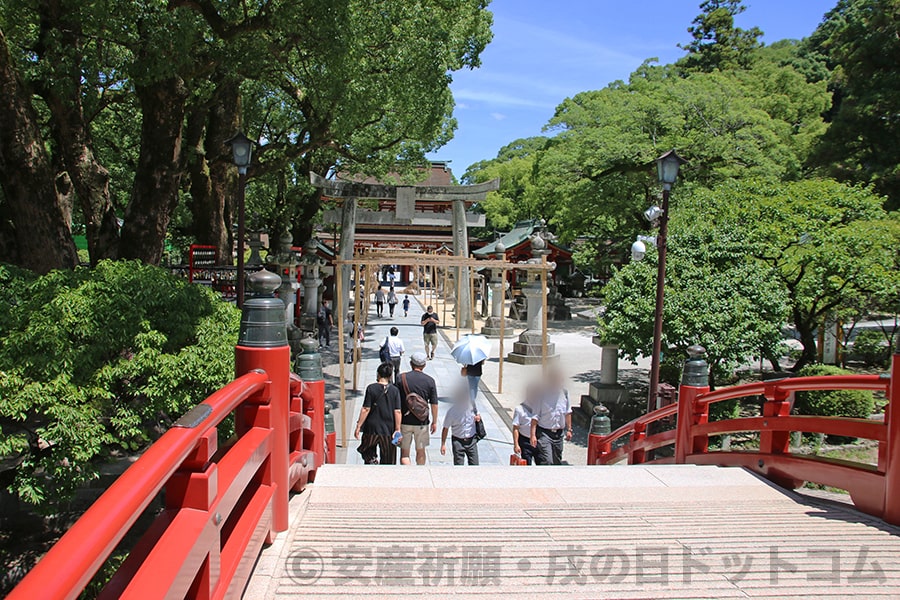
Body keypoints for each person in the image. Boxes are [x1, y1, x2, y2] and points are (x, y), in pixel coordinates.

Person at [354, 362, 402, 465]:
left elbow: (366, 409)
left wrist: (359, 426)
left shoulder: (371, 388)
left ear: (378, 374)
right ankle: (386, 476)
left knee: (365, 448)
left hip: (371, 428)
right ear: (390, 376)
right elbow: (397, 411)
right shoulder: (395, 391)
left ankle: (372, 461)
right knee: (389, 458)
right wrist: (397, 429)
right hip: (388, 429)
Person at [397, 352, 439, 465]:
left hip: (404, 421)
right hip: (422, 421)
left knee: (404, 453)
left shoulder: (401, 378)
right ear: (424, 365)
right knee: (420, 451)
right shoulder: (430, 381)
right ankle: (420, 474)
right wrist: (434, 422)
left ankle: (408, 476)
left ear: (411, 363)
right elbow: (434, 404)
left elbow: (395, 401)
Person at [530, 369, 573, 465]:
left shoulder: (564, 393)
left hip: (559, 434)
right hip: (544, 433)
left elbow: (568, 412)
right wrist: (533, 435)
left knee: (557, 460)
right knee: (547, 460)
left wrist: (569, 429)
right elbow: (535, 416)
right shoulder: (542, 394)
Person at [440, 389, 480, 465]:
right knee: (458, 466)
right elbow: (445, 428)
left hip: (471, 440)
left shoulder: (472, 406)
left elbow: (478, 415)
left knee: (475, 464)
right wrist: (443, 444)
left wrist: (478, 418)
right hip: (458, 441)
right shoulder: (452, 412)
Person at [512, 386, 538, 465]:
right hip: (525, 441)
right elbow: (515, 428)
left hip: (538, 440)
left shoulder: (540, 408)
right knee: (526, 465)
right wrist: (516, 444)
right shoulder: (519, 409)